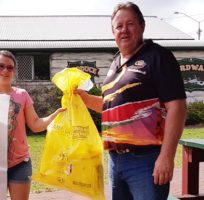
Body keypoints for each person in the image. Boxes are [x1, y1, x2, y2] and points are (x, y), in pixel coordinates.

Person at [74, 2, 187, 200]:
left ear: (142, 26)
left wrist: (167, 156)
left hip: (146, 161)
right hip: (116, 161)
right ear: (113, 31)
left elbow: (177, 106)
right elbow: (109, 107)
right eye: (119, 26)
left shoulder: (158, 57)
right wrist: (83, 98)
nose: (124, 30)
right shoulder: (116, 62)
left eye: (130, 24)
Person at [0, 50, 65, 200]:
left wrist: (54, 116)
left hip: (20, 163)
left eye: (10, 67)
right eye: (1, 66)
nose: (5, 70)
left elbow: (35, 124)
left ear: (14, 71)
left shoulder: (22, 95)